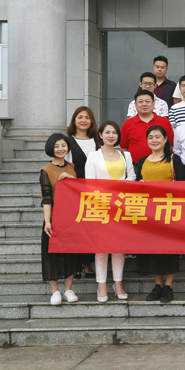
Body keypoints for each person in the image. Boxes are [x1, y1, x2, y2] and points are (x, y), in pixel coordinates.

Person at [84, 121, 136, 302]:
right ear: (100, 135)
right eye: (107, 132)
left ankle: (118, 283)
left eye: (114, 132)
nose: (111, 136)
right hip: (100, 207)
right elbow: (89, 184)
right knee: (101, 249)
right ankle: (101, 285)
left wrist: (118, 187)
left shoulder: (125, 155)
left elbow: (132, 177)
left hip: (121, 207)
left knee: (119, 248)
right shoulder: (93, 156)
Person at [135, 125, 178, 304]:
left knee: (169, 249)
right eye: (151, 137)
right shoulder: (142, 161)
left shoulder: (174, 159)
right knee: (152, 249)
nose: (154, 140)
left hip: (169, 211)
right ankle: (158, 285)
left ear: (165, 139)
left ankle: (169, 286)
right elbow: (136, 184)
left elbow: (183, 185)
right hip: (148, 212)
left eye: (158, 136)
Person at [40, 133, 79, 306]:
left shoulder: (72, 167)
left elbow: (79, 190)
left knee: (70, 254)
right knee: (51, 255)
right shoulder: (46, 170)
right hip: (54, 217)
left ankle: (68, 289)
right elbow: (46, 198)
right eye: (56, 146)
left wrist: (72, 179)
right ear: (51, 148)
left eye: (63, 145)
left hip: (70, 218)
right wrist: (47, 221)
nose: (60, 149)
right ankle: (55, 291)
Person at [65, 106, 100, 279]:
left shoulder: (97, 141)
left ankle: (88, 264)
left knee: (91, 226)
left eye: (87, 117)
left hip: (94, 189)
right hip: (74, 189)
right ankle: (76, 264)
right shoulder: (67, 141)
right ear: (74, 120)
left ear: (92, 121)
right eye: (80, 117)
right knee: (77, 227)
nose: (83, 120)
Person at [120, 90, 175, 163]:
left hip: (161, 164)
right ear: (135, 104)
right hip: (135, 165)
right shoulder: (127, 124)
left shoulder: (164, 122)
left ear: (153, 103)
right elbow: (123, 148)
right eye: (140, 102)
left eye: (147, 101)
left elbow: (171, 145)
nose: (144, 104)